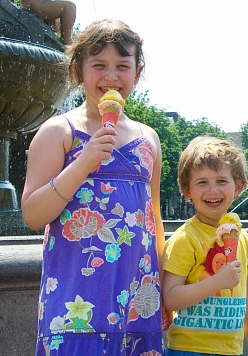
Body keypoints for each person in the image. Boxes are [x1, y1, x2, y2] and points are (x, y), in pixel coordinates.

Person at [21, 19, 166, 354]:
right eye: (99, 66)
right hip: (76, 304)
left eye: (122, 67)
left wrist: (163, 288)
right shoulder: (59, 131)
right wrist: (84, 162)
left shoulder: (149, 139)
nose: (111, 77)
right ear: (77, 71)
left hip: (137, 300)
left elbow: (154, 219)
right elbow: (32, 214)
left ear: (137, 74)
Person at [162, 136, 248, 356]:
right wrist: (218, 282)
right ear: (187, 191)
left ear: (238, 187)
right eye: (202, 182)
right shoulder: (185, 239)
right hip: (188, 350)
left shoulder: (244, 240)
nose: (212, 190)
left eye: (221, 181)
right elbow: (170, 298)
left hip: (231, 350)